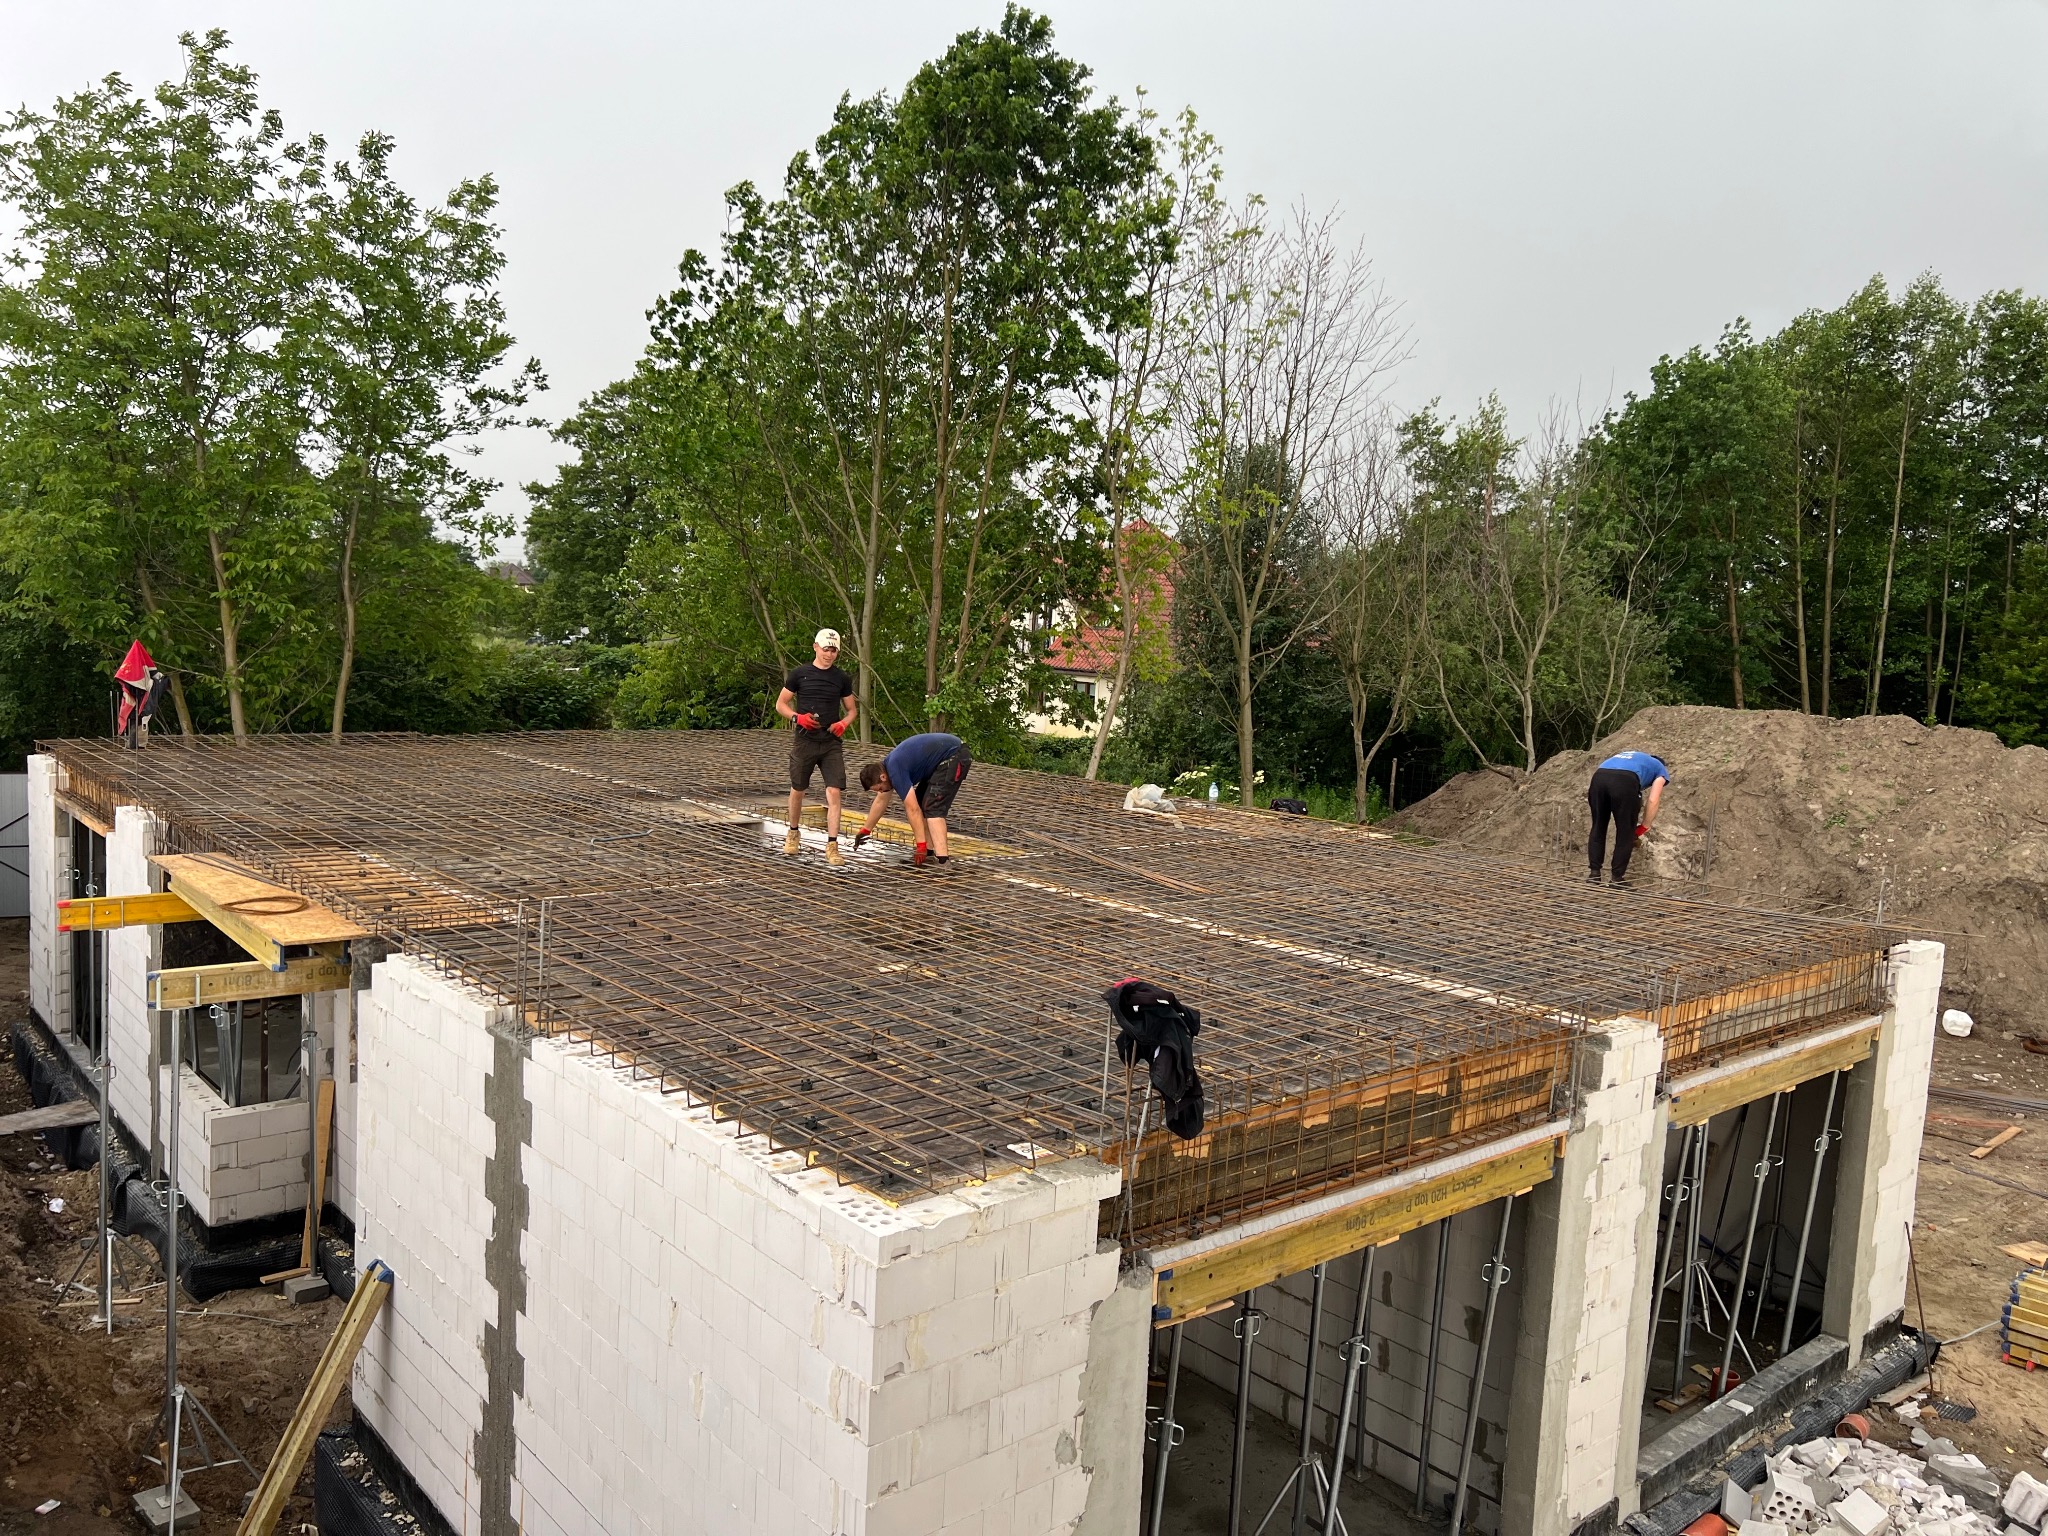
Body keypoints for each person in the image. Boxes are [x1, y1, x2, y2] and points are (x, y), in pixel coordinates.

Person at [775, 629, 857, 867]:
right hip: (805, 740)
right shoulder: (799, 674)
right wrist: (796, 718)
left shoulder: (841, 678)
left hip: (830, 741)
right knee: (798, 788)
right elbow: (781, 704)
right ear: (815, 647)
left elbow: (852, 710)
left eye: (834, 650)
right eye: (825, 649)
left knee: (834, 791)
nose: (829, 654)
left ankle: (832, 845)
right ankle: (793, 833)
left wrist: (844, 723)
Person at [854, 732, 971, 868]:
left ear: (883, 777)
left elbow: (912, 809)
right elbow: (881, 801)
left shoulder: (895, 770)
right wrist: (865, 830)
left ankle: (943, 861)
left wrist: (919, 845)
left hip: (954, 756)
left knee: (932, 807)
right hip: (943, 760)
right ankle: (929, 853)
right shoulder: (887, 768)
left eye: (879, 788)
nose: (881, 792)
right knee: (922, 803)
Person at [1588, 749, 1670, 886]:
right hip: (1625, 781)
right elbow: (1653, 800)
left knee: (1598, 826)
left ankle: (1594, 874)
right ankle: (1616, 879)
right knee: (1625, 831)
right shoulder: (1660, 769)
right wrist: (1644, 826)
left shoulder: (1633, 758)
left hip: (1599, 777)